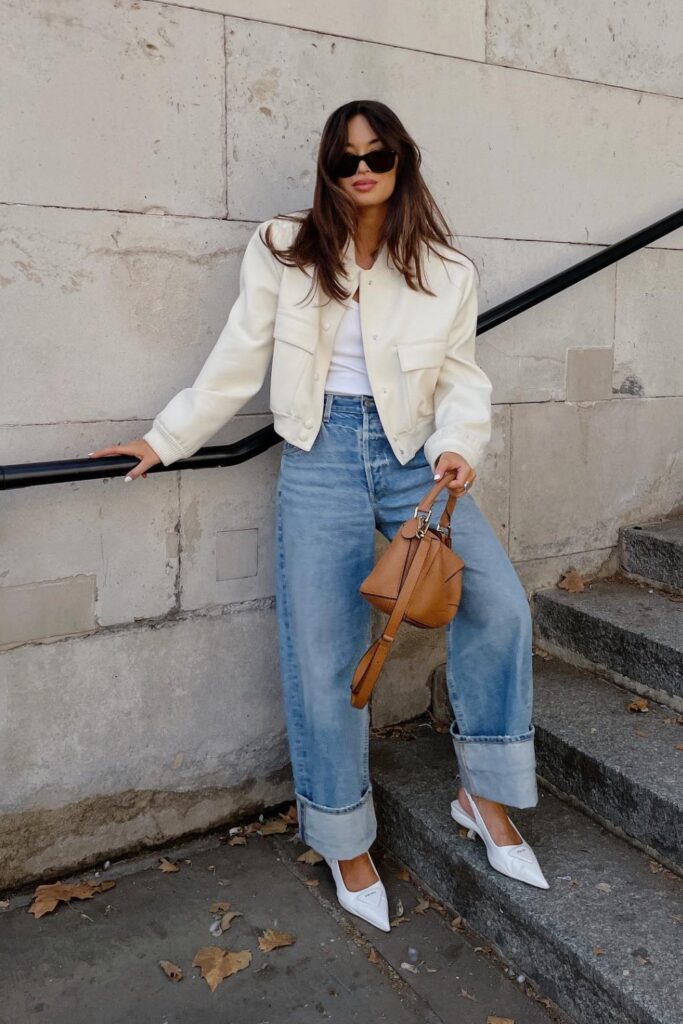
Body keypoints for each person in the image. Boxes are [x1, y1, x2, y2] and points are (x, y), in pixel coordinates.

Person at [89, 99, 549, 933]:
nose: (360, 170)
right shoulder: (283, 247)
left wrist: (459, 443)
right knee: (324, 650)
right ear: (326, 169)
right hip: (321, 455)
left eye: (375, 155)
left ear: (402, 160)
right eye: (344, 159)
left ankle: (482, 797)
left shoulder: (446, 269)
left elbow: (461, 376)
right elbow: (236, 357)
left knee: (500, 605)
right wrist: (165, 438)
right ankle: (343, 835)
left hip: (416, 457)